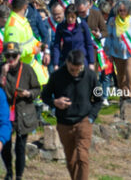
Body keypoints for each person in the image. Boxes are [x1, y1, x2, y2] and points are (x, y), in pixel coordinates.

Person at [41, 49, 103, 180]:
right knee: (71, 160)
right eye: (71, 69)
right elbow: (44, 95)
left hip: (84, 120)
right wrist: (55, 102)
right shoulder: (57, 76)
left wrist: (91, 117)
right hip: (64, 123)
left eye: (77, 69)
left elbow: (99, 99)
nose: (75, 73)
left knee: (82, 156)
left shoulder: (91, 76)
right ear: (67, 63)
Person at [0, 42, 41, 180]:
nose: (10, 59)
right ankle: (9, 172)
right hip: (5, 113)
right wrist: (2, 75)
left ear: (19, 56)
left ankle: (19, 176)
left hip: (23, 113)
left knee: (20, 147)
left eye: (14, 56)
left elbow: (37, 89)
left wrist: (28, 94)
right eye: (7, 56)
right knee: (5, 145)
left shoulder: (27, 69)